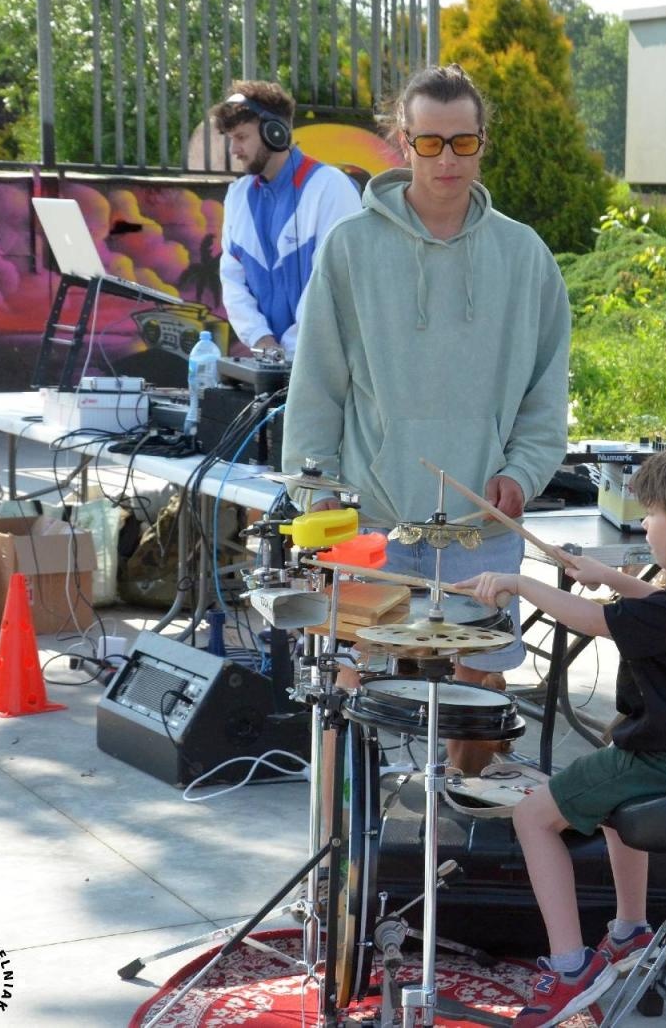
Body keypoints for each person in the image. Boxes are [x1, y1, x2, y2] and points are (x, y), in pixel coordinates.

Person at [282, 64, 572, 775]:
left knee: (478, 692)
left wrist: (522, 474)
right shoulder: (351, 248)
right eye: (431, 143)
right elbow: (316, 382)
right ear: (401, 142)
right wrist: (315, 493)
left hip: (482, 524)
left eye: (464, 142)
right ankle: (344, 862)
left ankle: (463, 839)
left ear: (482, 144)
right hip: (373, 521)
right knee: (347, 687)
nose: (448, 159)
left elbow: (545, 389)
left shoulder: (525, 255)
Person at [456, 439, 666, 1028]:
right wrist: (608, 577)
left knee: (533, 817)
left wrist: (520, 585)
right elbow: (663, 602)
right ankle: (628, 929)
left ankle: (570, 970)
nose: (643, 522)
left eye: (652, 515)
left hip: (664, 758)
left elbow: (595, 622)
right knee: (609, 804)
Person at [210, 80, 360, 358]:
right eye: (231, 139)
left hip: (327, 364)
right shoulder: (237, 196)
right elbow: (232, 282)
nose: (234, 150)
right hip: (273, 363)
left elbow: (333, 285)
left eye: (241, 137)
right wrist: (262, 340)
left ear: (274, 132)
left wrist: (284, 354)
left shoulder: (331, 188)